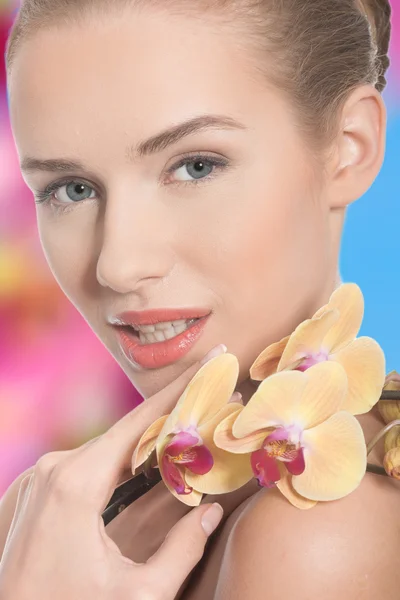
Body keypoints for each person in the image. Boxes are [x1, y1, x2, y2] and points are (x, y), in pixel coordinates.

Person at [1, 0, 398, 598]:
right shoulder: (47, 515)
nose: (118, 264)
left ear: (350, 144)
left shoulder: (320, 538)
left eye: (194, 167)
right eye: (71, 188)